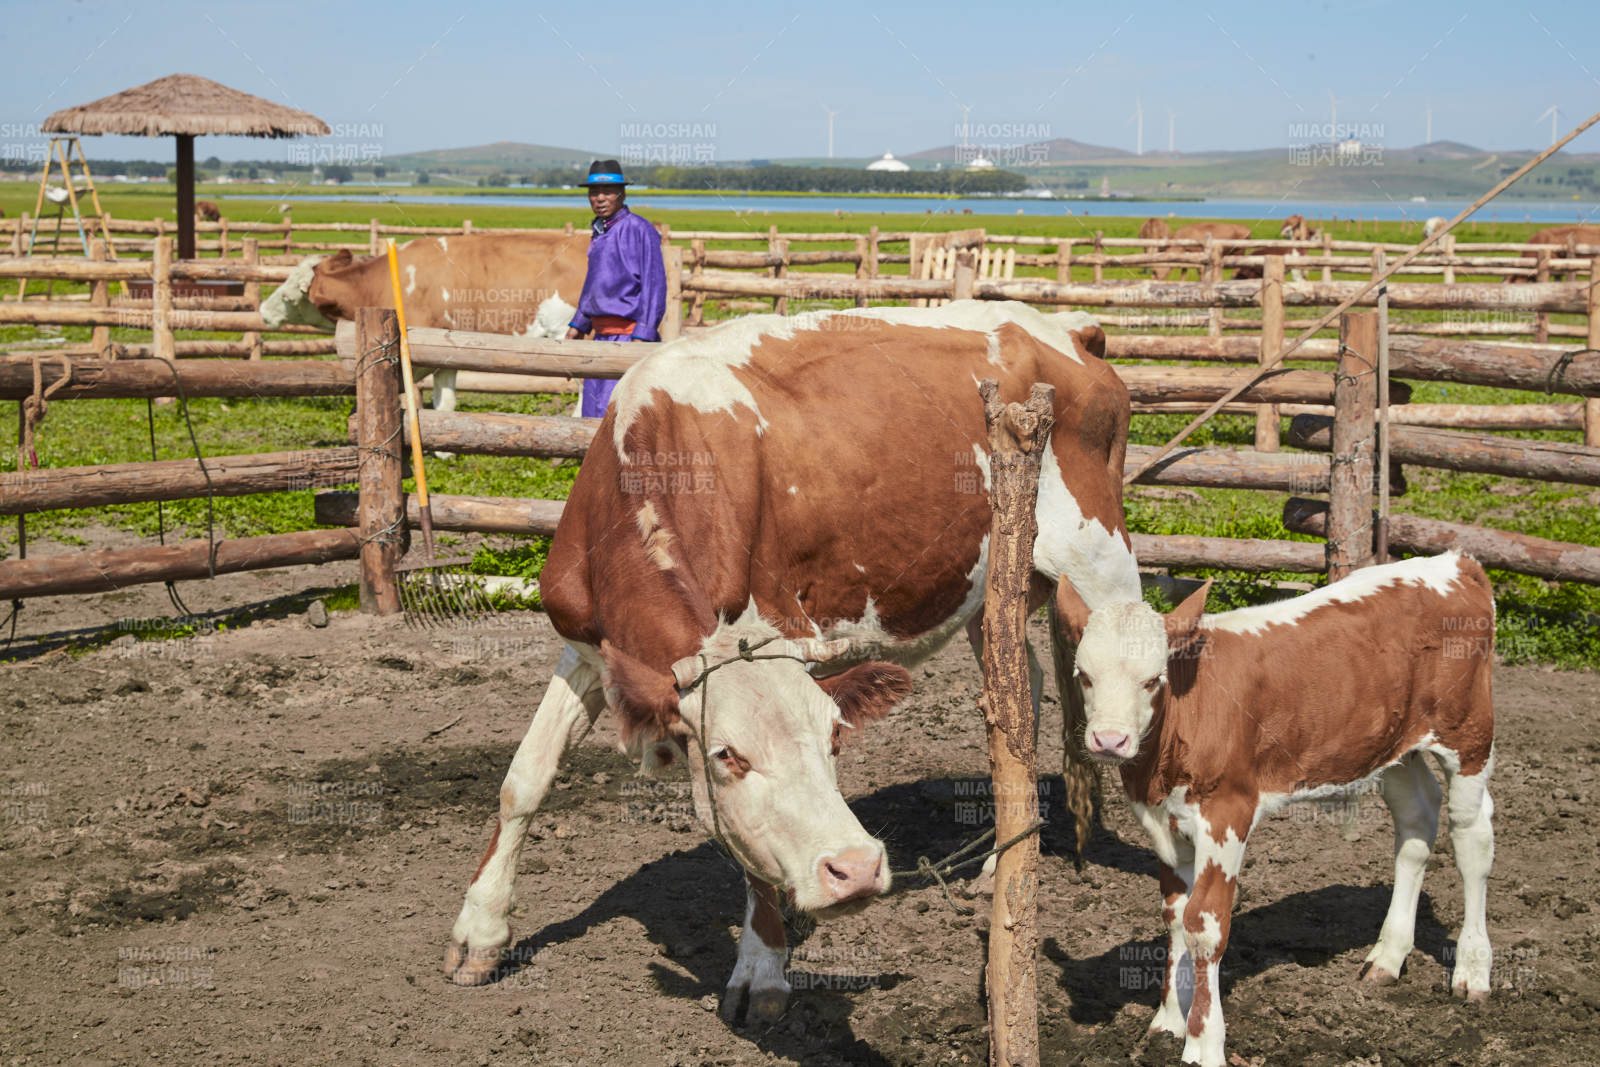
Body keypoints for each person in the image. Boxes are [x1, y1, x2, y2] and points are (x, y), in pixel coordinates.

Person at [565, 159, 666, 417]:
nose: (599, 198)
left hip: (627, 336)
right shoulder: (600, 231)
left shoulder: (639, 230)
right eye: (594, 193)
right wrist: (578, 325)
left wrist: (641, 337)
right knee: (594, 412)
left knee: (622, 414)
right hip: (600, 338)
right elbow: (593, 285)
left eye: (607, 192)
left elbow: (654, 286)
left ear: (621, 194)